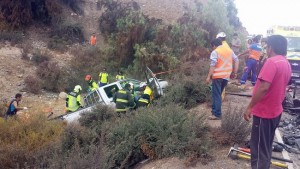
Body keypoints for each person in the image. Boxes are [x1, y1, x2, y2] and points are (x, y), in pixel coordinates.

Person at [243, 35, 291, 169]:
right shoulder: (285, 62)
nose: (266, 49)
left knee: (258, 149)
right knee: (266, 146)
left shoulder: (271, 62)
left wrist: (249, 107)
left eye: (266, 47)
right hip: (275, 112)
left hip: (264, 113)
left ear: (271, 47)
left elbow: (264, 87)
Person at [206, 38, 239, 120]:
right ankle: (214, 112)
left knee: (216, 95)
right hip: (226, 77)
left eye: (212, 46)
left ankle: (217, 114)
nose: (212, 48)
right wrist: (235, 72)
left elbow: (213, 65)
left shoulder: (215, 52)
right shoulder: (229, 51)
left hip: (217, 76)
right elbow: (236, 60)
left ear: (214, 45)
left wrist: (208, 76)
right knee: (218, 95)